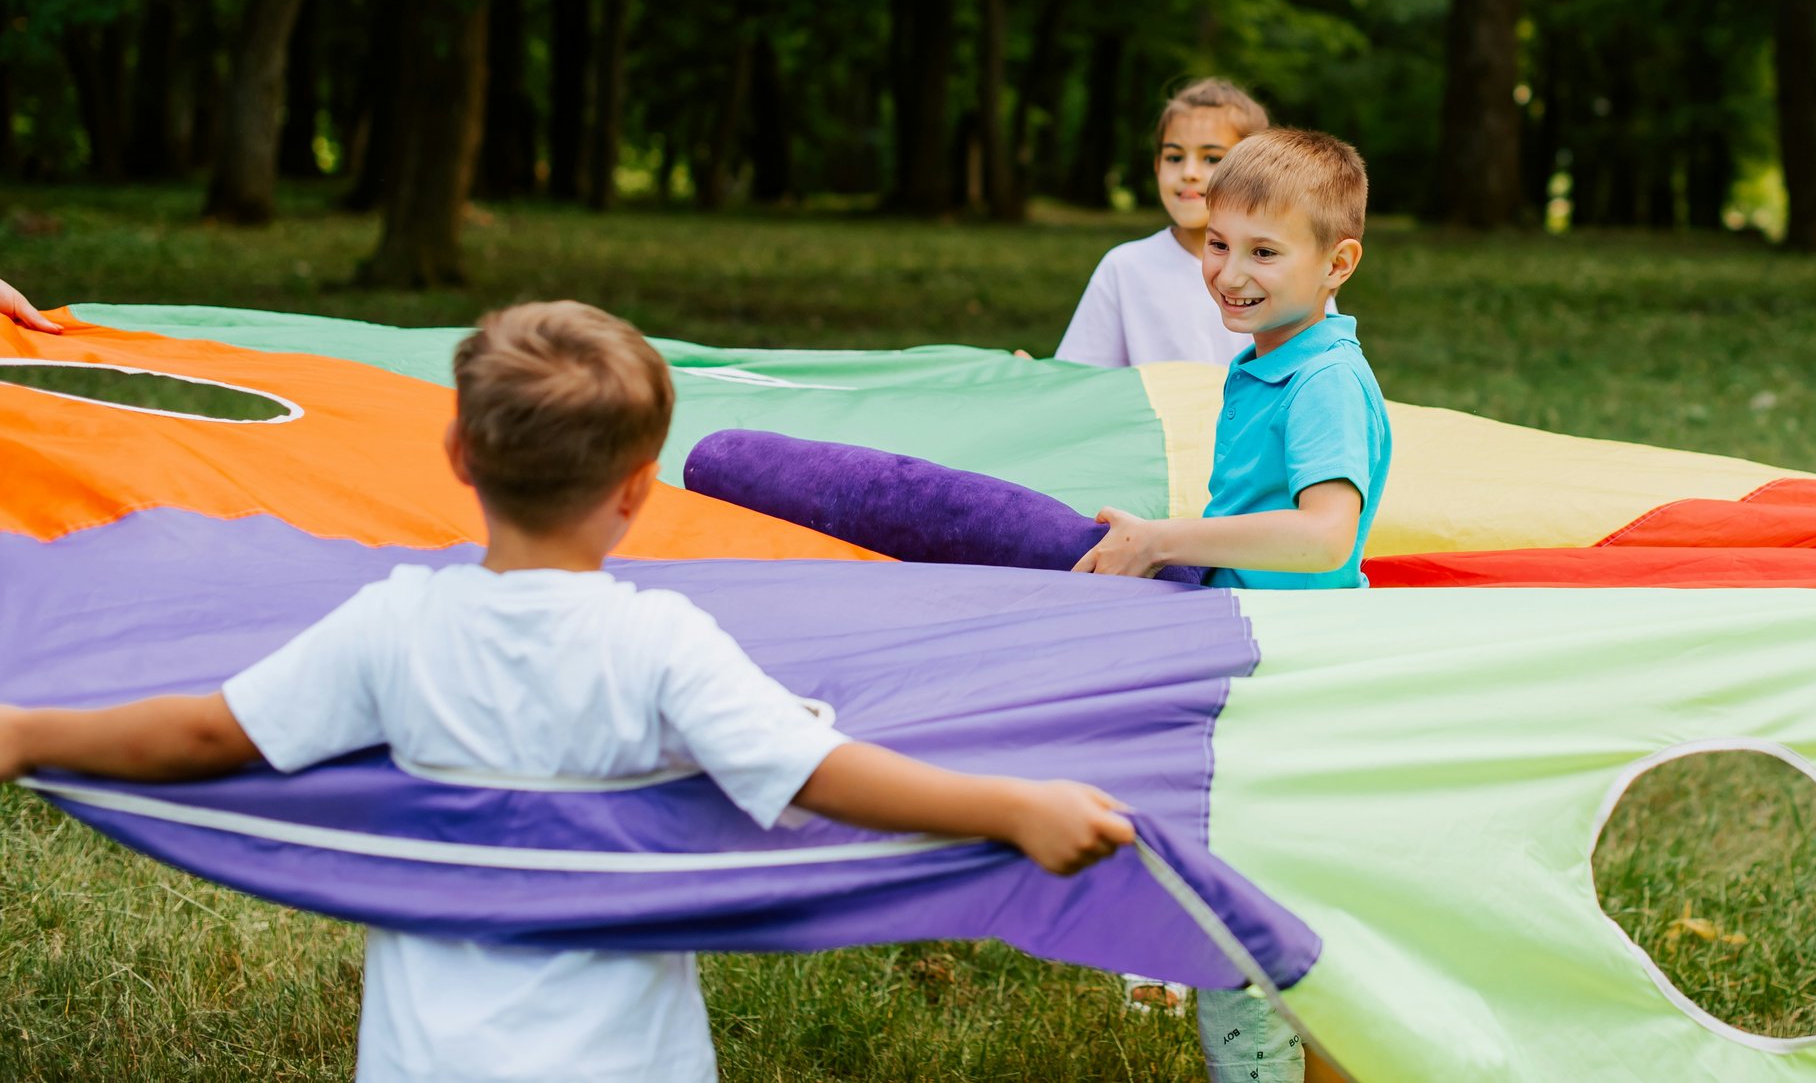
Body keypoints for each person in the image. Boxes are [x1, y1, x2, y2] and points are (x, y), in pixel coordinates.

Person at [0, 300, 1134, 1083]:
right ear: (642, 489)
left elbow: (209, 730)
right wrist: (1011, 806)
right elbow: (821, 775)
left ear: (455, 456)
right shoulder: (660, 642)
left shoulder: (397, 624)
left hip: (430, 1058)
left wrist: (28, 731)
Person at [1078, 129, 1390, 1083]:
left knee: (1250, 918)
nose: (1229, 272)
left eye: (1263, 252)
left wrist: (1168, 540)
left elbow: (1324, 534)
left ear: (1337, 264)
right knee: (1259, 908)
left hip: (1296, 679)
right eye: (1218, 243)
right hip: (1252, 661)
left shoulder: (1324, 377)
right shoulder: (1268, 358)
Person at [1056, 78, 1272, 369]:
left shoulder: (1286, 268)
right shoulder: (1124, 268)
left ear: (1256, 170)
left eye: (1211, 158)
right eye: (1174, 157)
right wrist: (1040, 378)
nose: (1189, 173)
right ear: (1157, 165)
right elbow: (1081, 377)